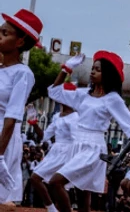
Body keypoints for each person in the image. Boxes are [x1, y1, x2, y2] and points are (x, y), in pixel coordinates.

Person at [46, 51, 130, 212]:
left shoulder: (113, 98)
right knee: (82, 196)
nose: (92, 71)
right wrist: (66, 68)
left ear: (107, 74)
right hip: (77, 144)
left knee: (55, 182)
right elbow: (54, 92)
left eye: (98, 69)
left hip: (93, 147)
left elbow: (129, 126)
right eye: (92, 68)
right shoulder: (83, 94)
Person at [0, 9, 42, 206]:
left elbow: (12, 116)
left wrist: (0, 155)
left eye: (4, 33)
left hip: (3, 136)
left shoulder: (23, 73)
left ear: (19, 42)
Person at [29, 82, 81, 212]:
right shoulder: (57, 116)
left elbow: (77, 140)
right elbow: (44, 136)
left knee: (53, 183)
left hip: (67, 152)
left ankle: (55, 209)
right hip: (56, 151)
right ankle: (53, 209)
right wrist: (34, 124)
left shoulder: (74, 117)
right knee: (39, 180)